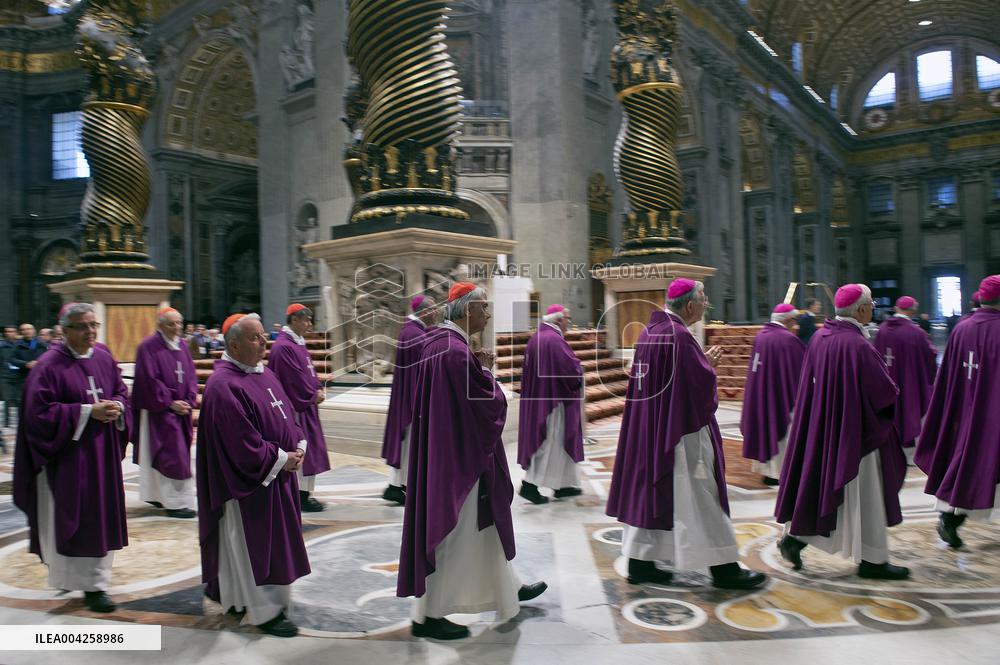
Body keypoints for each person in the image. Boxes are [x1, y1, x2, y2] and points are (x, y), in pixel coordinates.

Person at [397, 282, 547, 641]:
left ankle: (506, 587)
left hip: (447, 453)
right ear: (468, 311)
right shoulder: (454, 352)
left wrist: (478, 369)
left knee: (486, 527)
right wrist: (489, 375)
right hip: (459, 462)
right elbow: (488, 406)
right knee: (454, 534)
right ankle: (430, 615)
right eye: (484, 308)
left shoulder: (439, 343)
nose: (489, 314)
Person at [606, 279, 767, 590]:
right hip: (682, 433)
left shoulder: (651, 332)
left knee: (652, 495)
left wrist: (701, 364)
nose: (706, 305)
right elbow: (695, 389)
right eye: (704, 300)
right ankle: (725, 568)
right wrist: (708, 366)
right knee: (702, 493)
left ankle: (640, 563)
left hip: (652, 430)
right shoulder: (678, 337)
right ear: (691, 305)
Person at [776, 284, 909, 580]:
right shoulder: (858, 344)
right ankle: (873, 561)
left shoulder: (821, 336)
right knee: (866, 496)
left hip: (824, 426)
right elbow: (882, 392)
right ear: (861, 309)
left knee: (823, 486)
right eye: (871, 304)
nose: (873, 308)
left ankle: (795, 538)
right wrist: (894, 391)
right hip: (855, 432)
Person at [197, 313, 311, 638]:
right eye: (254, 338)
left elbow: (287, 413)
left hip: (279, 477)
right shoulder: (223, 386)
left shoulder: (265, 374)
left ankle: (244, 601)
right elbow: (240, 445)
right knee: (256, 547)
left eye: (263, 336)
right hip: (251, 486)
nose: (264, 342)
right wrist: (281, 458)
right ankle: (264, 610)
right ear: (233, 344)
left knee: (272, 545)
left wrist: (299, 444)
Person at [11, 302, 130, 613]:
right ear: (64, 331)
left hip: (101, 456)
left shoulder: (103, 356)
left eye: (94, 325)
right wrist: (89, 411)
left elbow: (120, 391)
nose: (90, 331)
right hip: (69, 460)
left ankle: (95, 584)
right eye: (82, 326)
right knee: (75, 519)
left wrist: (117, 406)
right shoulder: (49, 366)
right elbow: (38, 416)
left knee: (98, 520)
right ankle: (76, 580)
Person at [915, 275, 1000, 549]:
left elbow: (948, 375)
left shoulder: (962, 328)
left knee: (968, 461)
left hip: (965, 410)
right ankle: (951, 519)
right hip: (993, 411)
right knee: (984, 464)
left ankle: (950, 518)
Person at [131, 307, 198, 518]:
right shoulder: (147, 347)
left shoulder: (183, 346)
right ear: (159, 325)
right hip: (159, 412)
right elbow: (148, 379)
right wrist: (170, 403)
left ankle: (158, 495)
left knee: (179, 454)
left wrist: (188, 399)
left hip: (181, 411)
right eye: (171, 324)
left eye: (179, 323)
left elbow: (191, 376)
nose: (177, 327)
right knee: (169, 456)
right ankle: (175, 502)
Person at [517, 303, 584, 504]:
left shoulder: (537, 338)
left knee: (556, 445)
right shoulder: (554, 340)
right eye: (567, 319)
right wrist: (579, 370)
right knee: (551, 443)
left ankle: (562, 486)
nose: (568, 323)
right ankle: (529, 486)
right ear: (557, 319)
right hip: (553, 404)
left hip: (542, 400)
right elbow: (570, 371)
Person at [268, 304, 331, 512]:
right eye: (306, 320)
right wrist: (312, 395)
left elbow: (307, 373)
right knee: (300, 448)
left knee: (309, 449)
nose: (310, 324)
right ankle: (300, 494)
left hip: (307, 404)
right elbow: (292, 380)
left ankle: (304, 493)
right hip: (296, 407)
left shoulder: (297, 343)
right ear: (294, 320)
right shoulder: (284, 346)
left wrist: (317, 387)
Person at [740, 303, 806, 486]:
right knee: (784, 431)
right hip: (782, 397)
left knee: (766, 427)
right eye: (794, 320)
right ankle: (782, 473)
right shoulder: (787, 340)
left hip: (762, 394)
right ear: (788, 320)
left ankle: (768, 473)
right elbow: (802, 372)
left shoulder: (761, 336)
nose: (795, 325)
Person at [381, 295, 438, 505]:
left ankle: (396, 486)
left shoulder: (412, 331)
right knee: (411, 444)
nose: (436, 313)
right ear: (423, 311)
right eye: (433, 309)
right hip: (414, 401)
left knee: (408, 445)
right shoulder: (415, 335)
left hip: (410, 398)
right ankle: (401, 486)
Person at [873, 296, 937, 463]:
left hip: (886, 380)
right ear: (912, 310)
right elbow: (930, 356)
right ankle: (909, 455)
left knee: (891, 412)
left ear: (896, 308)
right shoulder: (915, 332)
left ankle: (890, 451)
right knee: (909, 411)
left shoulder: (882, 330)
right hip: (910, 382)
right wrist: (929, 378)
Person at [9, 323, 48, 425]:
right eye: (24, 330)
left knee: (39, 400)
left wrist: (39, 363)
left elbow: (49, 358)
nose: (27, 331)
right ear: (21, 332)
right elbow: (12, 359)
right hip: (23, 377)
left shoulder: (42, 344)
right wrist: (25, 364)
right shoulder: (18, 345)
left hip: (40, 378)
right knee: (23, 401)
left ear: (34, 330)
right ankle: (24, 423)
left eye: (29, 329)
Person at [1, 325, 18, 435]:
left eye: (12, 331)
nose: (9, 333)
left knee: (20, 399)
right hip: (4, 375)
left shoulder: (20, 345)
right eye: (7, 331)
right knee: (7, 399)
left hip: (19, 375)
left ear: (16, 333)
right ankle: (6, 423)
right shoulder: (1, 346)